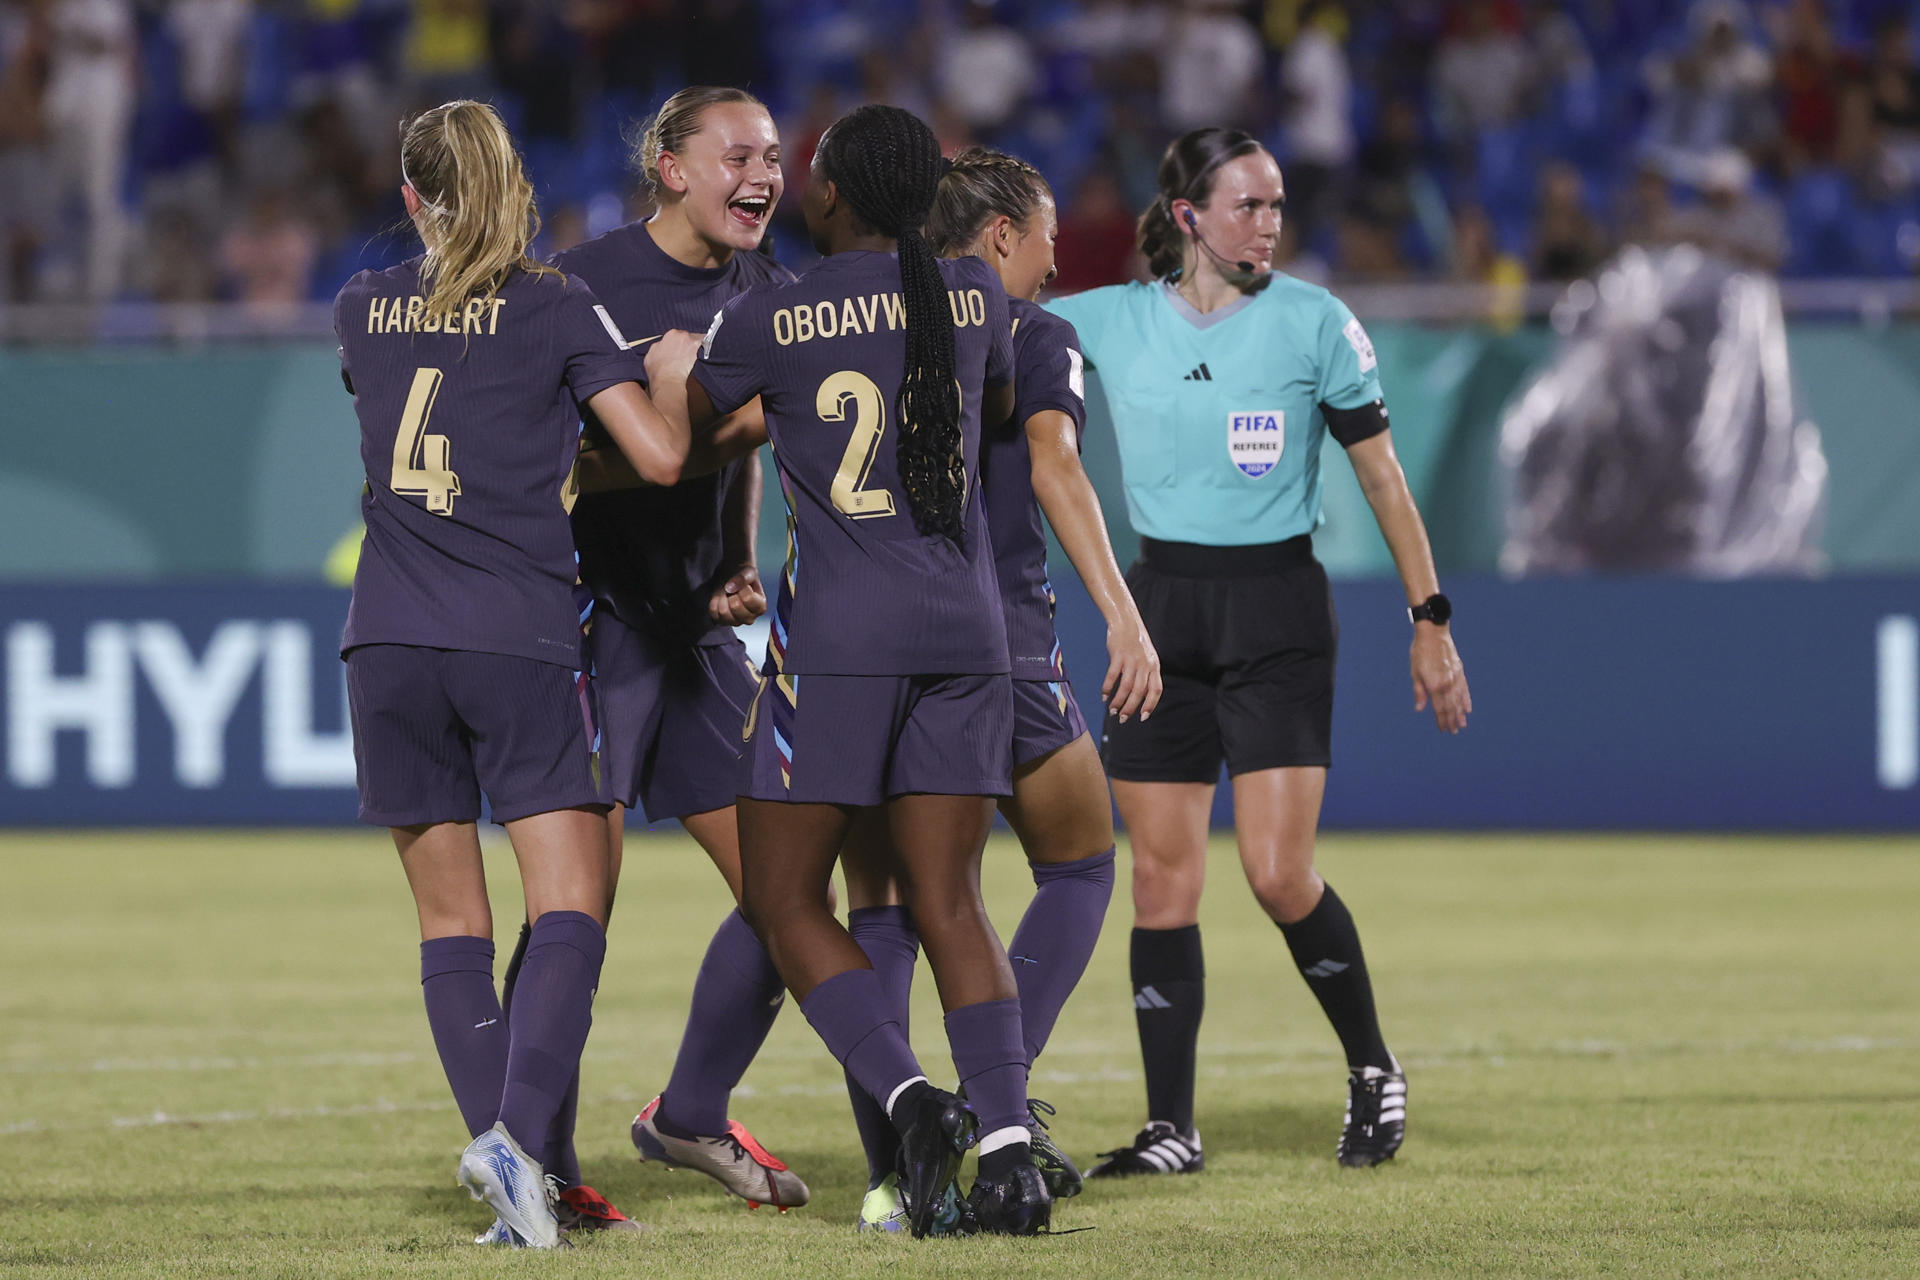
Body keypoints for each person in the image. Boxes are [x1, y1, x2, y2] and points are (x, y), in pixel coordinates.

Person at [650, 104, 1048, 1238]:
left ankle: (918, 1105)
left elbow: (690, 426)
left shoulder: (774, 310)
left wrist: (679, 365)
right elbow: (1000, 410)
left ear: (833, 195)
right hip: (965, 634)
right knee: (953, 900)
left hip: (836, 646)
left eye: (811, 173)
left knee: (783, 899)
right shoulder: (973, 297)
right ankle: (1012, 1152)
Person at [1046, 126, 1471, 1177]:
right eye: (1249, 204)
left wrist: (1431, 617)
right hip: (1158, 613)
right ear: (1188, 216)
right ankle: (1170, 1126)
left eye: (1278, 203)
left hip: (1276, 611)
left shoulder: (1316, 321)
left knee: (1280, 874)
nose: (1271, 222)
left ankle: (1372, 1064)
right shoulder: (1108, 319)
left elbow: (1383, 480)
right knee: (1162, 883)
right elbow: (982, 320)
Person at [333, 99, 687, 1248]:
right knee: (571, 899)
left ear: (412, 201)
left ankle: (515, 1177)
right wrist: (671, 375)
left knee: (452, 924)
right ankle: (518, 1144)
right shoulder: (555, 305)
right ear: (514, 187)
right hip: (516, 635)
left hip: (385, 638)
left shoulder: (359, 307)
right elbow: (659, 454)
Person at [833, 144, 1163, 1232]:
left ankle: (895, 1164)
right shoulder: (1031, 334)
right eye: (1049, 244)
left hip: (864, 646)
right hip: (1001, 642)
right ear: (1002, 236)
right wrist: (1121, 609)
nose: (1056, 269)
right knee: (1077, 857)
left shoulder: (864, 321)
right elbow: (1058, 464)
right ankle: (989, 1108)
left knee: (883, 903)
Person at [539, 84, 807, 1217]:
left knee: (788, 895)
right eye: (738, 152)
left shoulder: (769, 286)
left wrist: (739, 547)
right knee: (573, 912)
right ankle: (540, 1166)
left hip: (693, 626)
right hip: (588, 624)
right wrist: (696, 430)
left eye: (775, 155)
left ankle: (689, 1110)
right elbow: (554, 465)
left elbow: (742, 439)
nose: (764, 173)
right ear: (671, 167)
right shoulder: (583, 286)